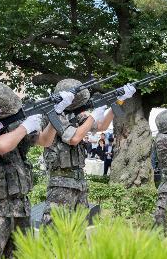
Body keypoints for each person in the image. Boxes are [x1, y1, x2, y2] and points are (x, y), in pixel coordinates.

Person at [0, 82, 74, 258]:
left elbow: (45, 141)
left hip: (20, 210)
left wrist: (55, 114)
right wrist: (24, 127)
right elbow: (1, 145)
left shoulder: (13, 126)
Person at [42, 79, 136, 224]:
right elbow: (74, 138)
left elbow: (101, 125)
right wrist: (93, 115)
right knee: (54, 231)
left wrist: (117, 101)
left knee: (79, 231)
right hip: (61, 182)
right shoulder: (53, 116)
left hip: (79, 182)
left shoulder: (76, 115)